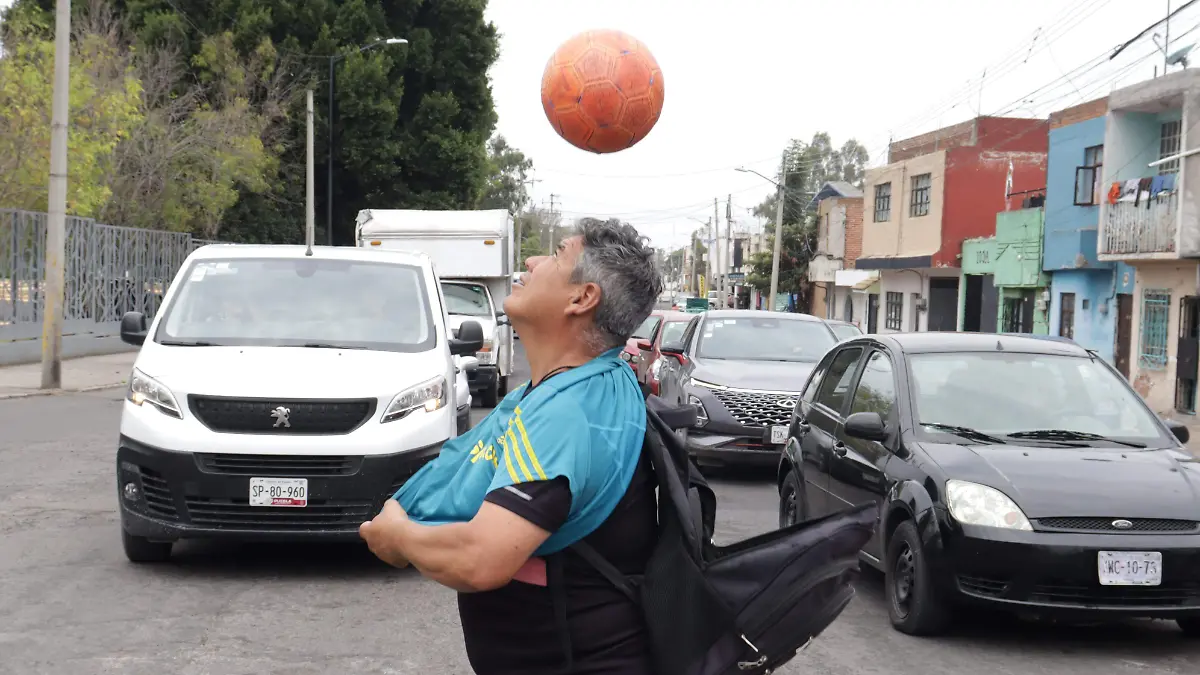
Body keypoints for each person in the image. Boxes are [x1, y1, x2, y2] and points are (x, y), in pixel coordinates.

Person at [359, 219, 664, 675]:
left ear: (582, 299)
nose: (531, 261)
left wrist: (397, 536)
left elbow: (481, 559)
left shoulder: (568, 415)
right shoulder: (595, 382)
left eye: (556, 255)